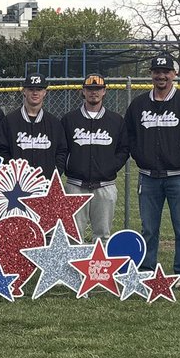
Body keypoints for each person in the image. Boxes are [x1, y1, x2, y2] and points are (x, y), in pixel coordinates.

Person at [125, 54, 180, 290]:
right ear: (151, 75)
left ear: (174, 74)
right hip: (149, 177)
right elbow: (129, 134)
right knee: (149, 229)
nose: (161, 76)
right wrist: (139, 153)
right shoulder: (139, 104)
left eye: (165, 71)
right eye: (156, 71)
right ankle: (146, 270)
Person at [62, 74, 130, 244]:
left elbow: (124, 149)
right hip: (75, 185)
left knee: (103, 236)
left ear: (104, 91)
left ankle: (99, 270)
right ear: (83, 91)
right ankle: (74, 271)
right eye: (90, 89)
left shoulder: (115, 120)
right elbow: (61, 149)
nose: (94, 93)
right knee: (73, 236)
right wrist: (70, 165)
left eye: (98, 89)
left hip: (105, 186)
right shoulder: (69, 119)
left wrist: (111, 167)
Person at [0, 73, 67, 177]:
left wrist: (54, 173)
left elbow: (61, 151)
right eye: (31, 89)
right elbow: (1, 150)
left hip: (46, 183)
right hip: (18, 184)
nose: (35, 93)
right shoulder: (9, 121)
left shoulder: (54, 123)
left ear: (44, 92)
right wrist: (12, 173)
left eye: (39, 89)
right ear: (24, 91)